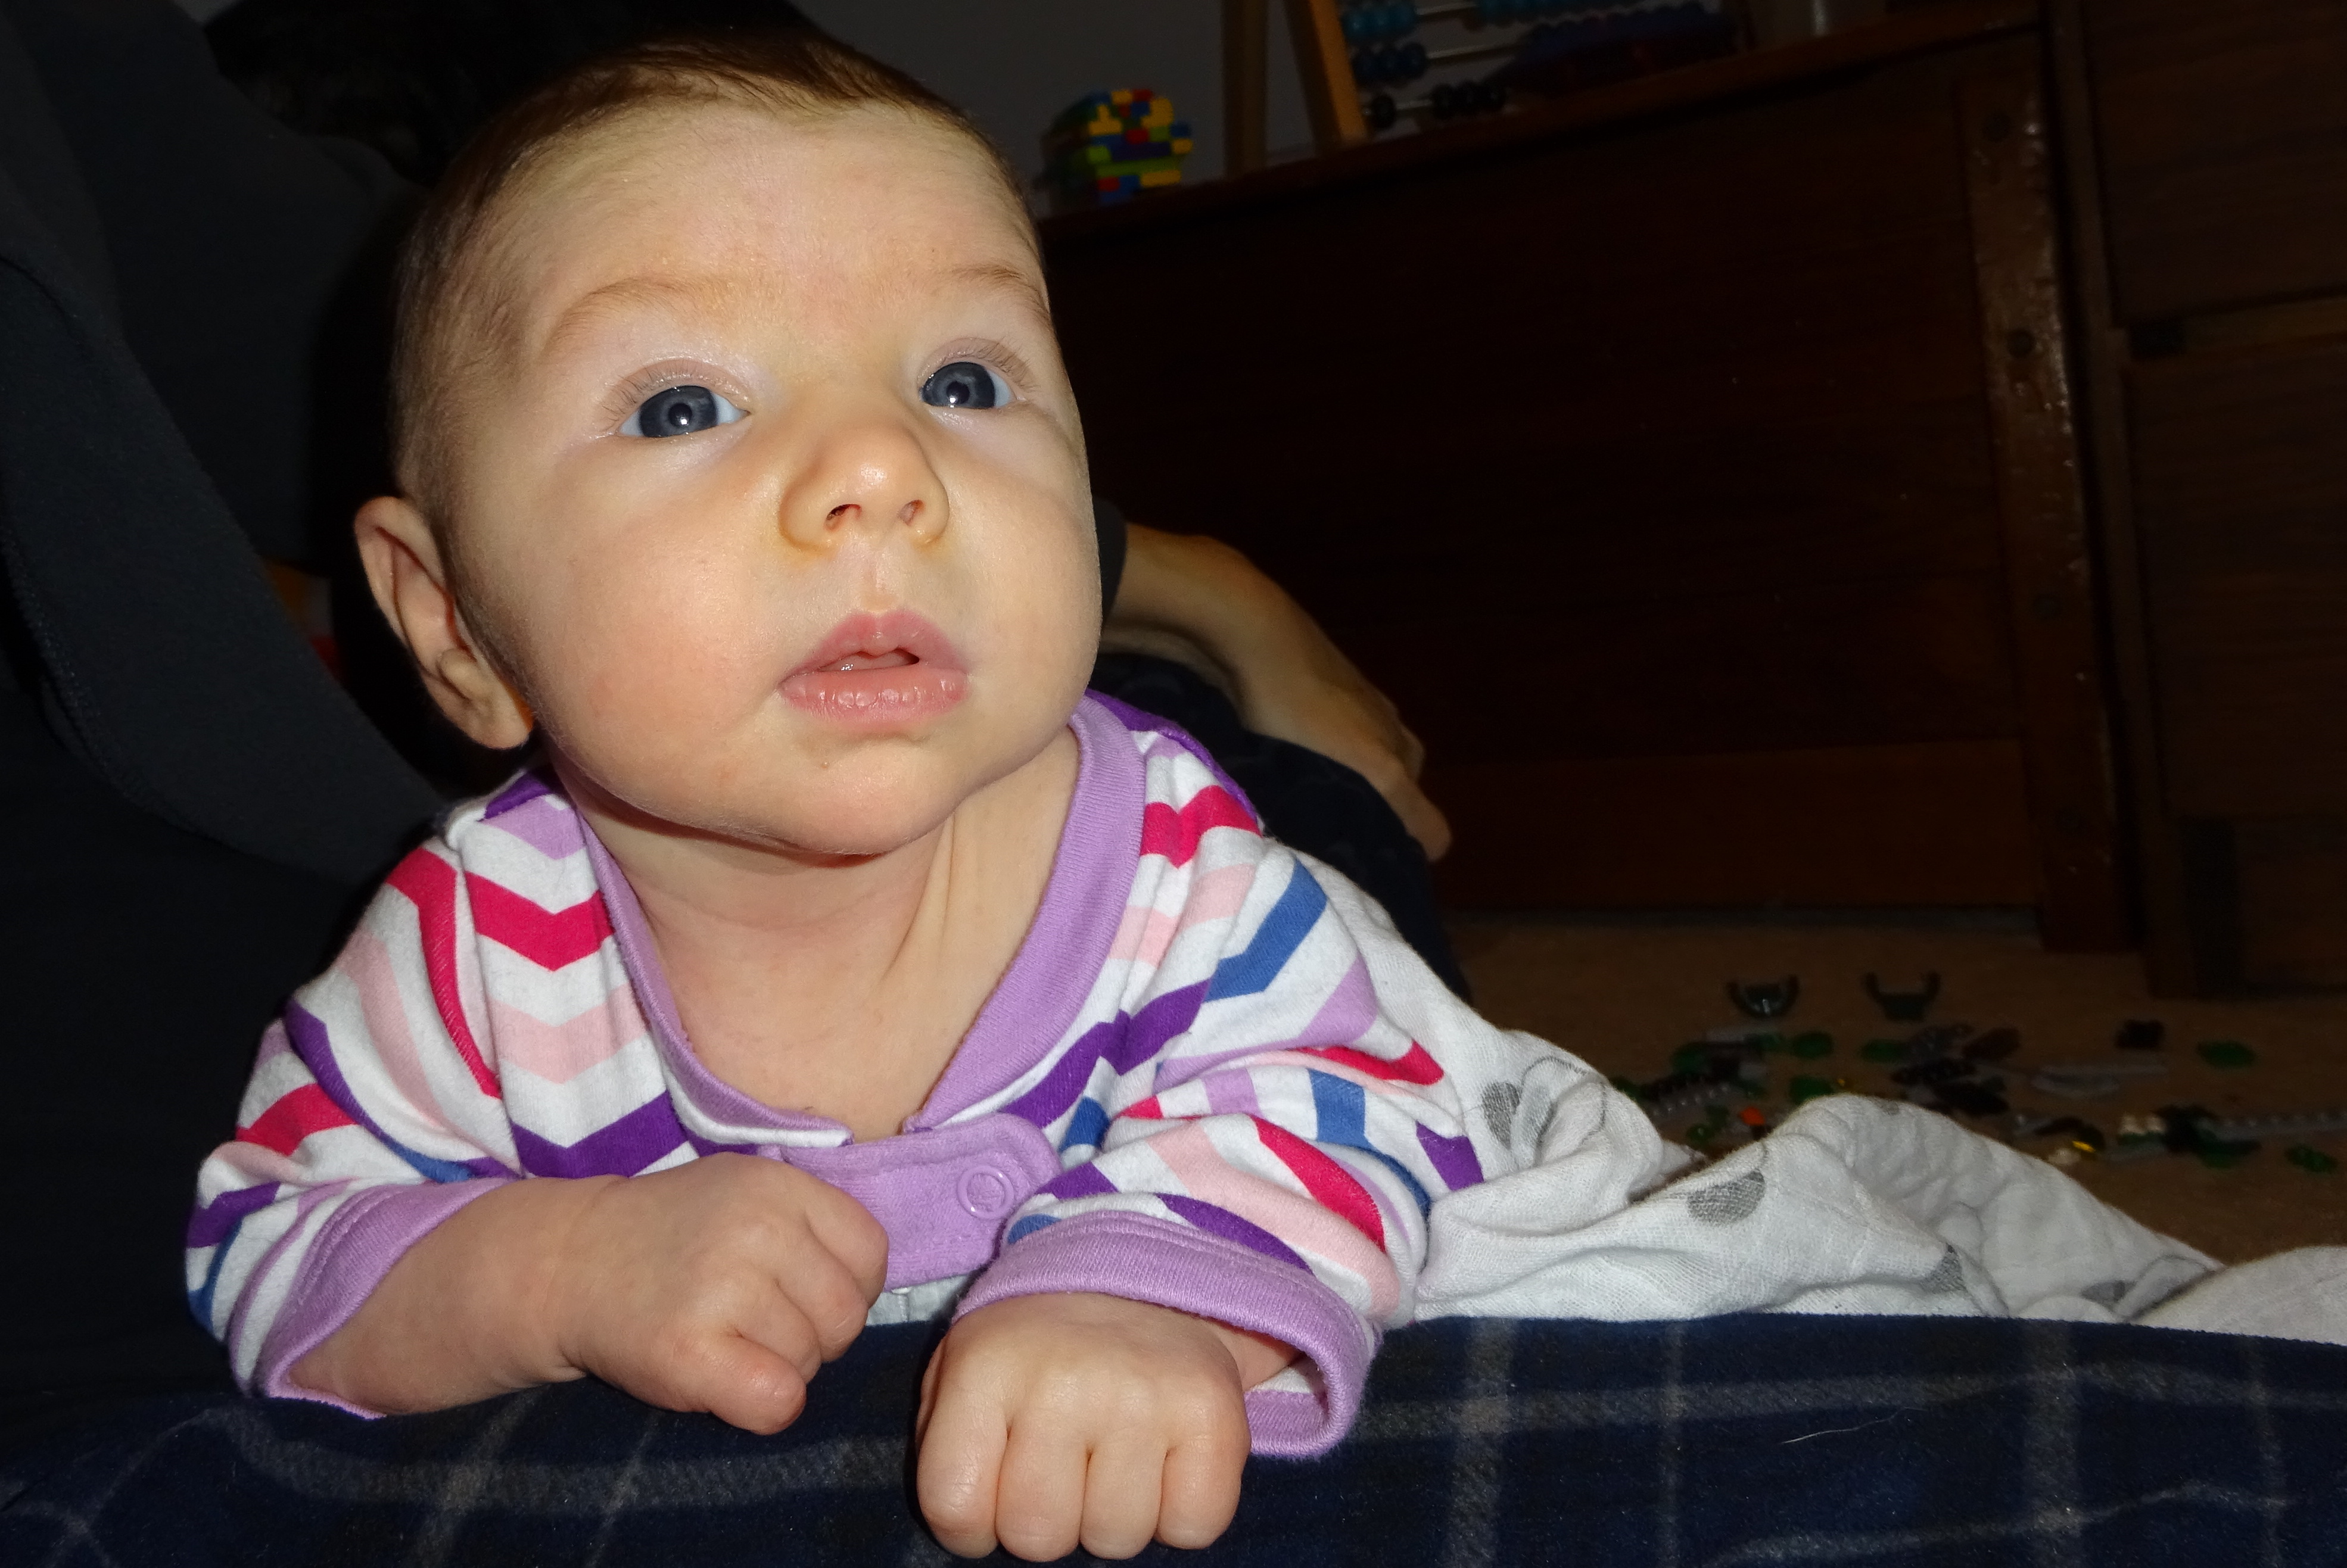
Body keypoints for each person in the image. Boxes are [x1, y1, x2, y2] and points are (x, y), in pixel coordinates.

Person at [188, 29, 1554, 1561]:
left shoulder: (1174, 861)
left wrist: (1143, 1286)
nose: (881, 466)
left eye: (962, 381)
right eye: (682, 406)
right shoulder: (475, 951)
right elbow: (269, 1248)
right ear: (453, 625)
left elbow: (1365, 1107)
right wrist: (553, 1269)